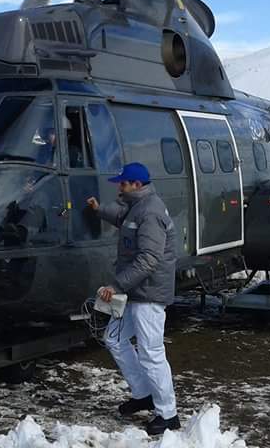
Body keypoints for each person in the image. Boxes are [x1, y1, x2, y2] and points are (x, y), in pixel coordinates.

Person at [86, 162, 179, 436]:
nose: (119, 186)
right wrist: (98, 209)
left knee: (151, 353)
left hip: (148, 294)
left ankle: (168, 413)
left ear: (136, 185)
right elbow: (123, 220)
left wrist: (115, 285)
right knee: (113, 338)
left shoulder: (151, 211)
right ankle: (143, 394)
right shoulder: (138, 206)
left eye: (123, 183)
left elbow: (149, 259)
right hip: (135, 292)